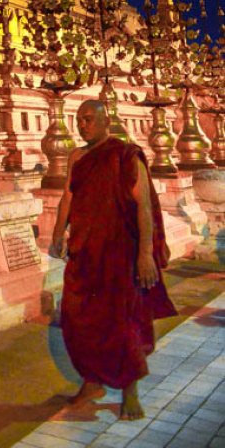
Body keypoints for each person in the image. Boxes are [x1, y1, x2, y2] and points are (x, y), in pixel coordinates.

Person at [52, 99, 176, 420]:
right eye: (79, 120)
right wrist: (57, 233)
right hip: (85, 252)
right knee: (78, 320)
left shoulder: (125, 155)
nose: (83, 125)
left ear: (107, 122)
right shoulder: (77, 157)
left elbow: (143, 205)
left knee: (121, 324)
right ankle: (92, 382)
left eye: (90, 119)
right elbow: (68, 195)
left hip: (119, 255)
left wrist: (145, 254)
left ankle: (130, 391)